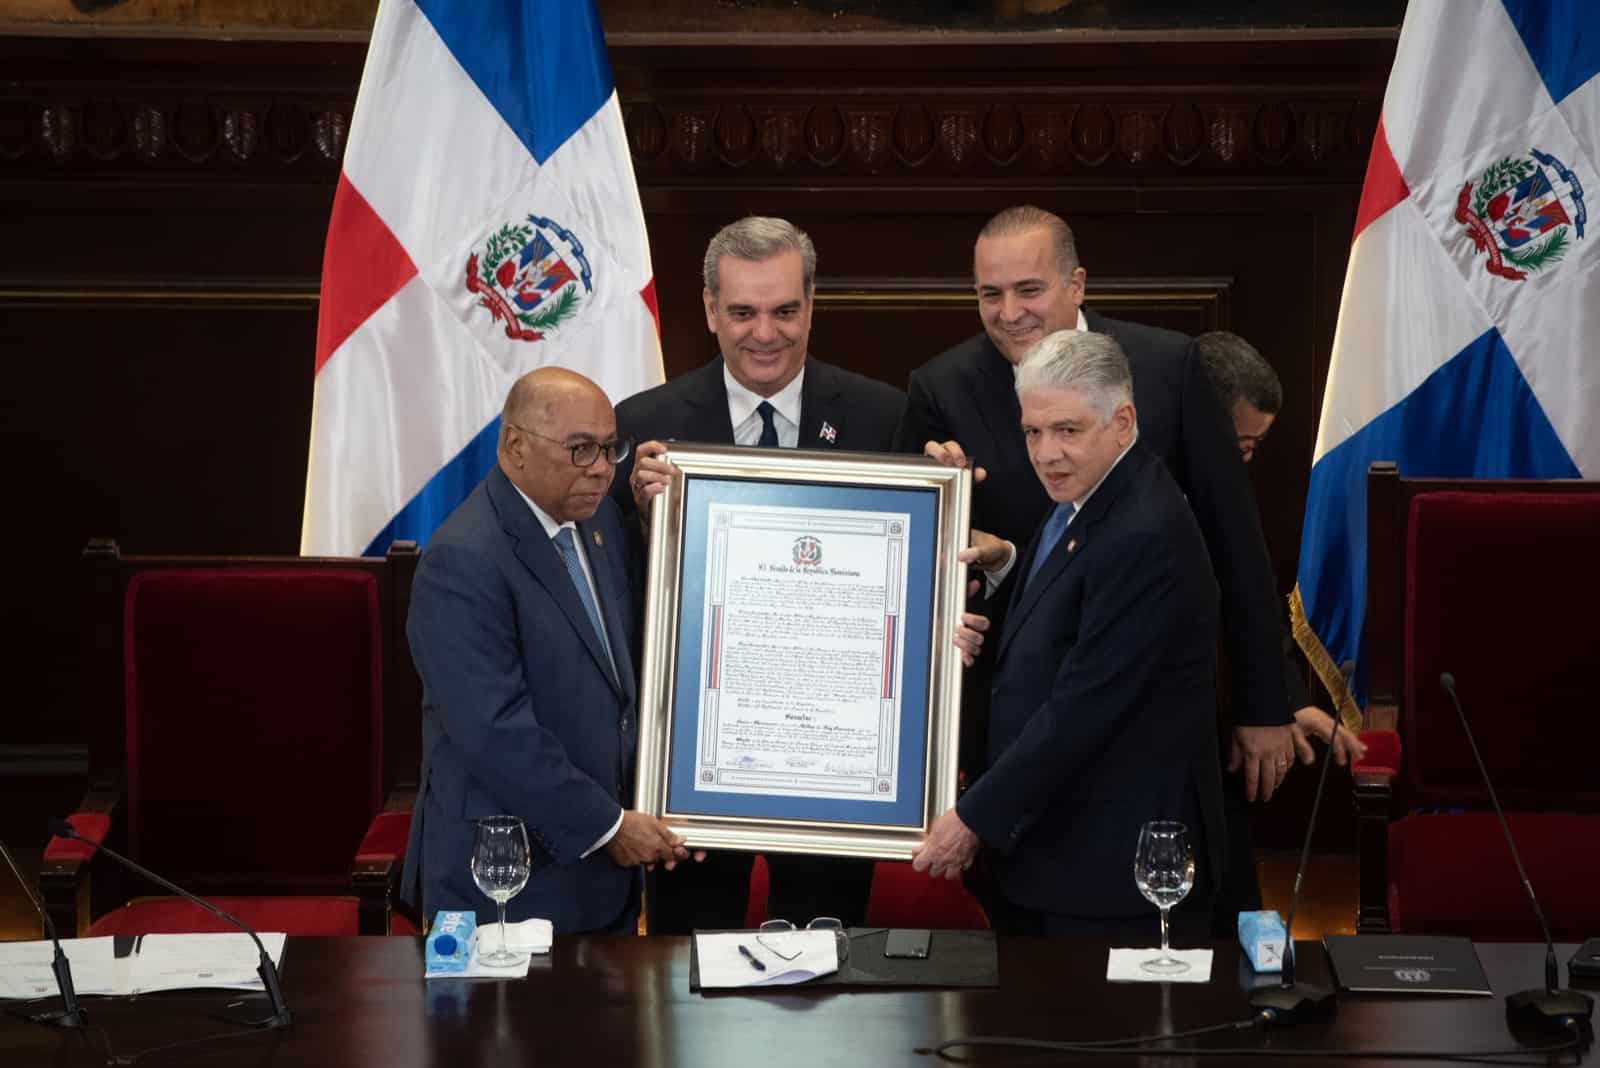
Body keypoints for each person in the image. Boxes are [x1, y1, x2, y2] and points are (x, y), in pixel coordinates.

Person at [894, 205, 1298, 805]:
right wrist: (938, 506)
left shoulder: (1166, 368)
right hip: (1015, 715)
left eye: (1029, 290)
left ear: (1076, 283)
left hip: (1151, 709)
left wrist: (1267, 701)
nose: (1009, 314)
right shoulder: (941, 388)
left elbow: (1234, 541)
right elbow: (923, 575)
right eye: (990, 294)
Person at [614, 216, 906, 934]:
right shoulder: (644, 424)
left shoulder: (883, 417)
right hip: (696, 764)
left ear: (812, 305)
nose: (764, 333)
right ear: (711, 310)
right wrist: (641, 513)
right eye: (742, 311)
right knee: (685, 975)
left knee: (828, 974)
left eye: (784, 310)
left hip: (836, 756)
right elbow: (614, 596)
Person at [913, 330, 1226, 938]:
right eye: (1033, 432)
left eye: (1068, 430)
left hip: (1108, 876)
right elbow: (1062, 608)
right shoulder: (1093, 498)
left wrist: (972, 819)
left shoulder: (1145, 532)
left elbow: (1084, 707)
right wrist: (998, 599)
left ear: (1123, 421)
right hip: (1059, 856)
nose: (1047, 453)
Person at [401, 368, 691, 935]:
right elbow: (494, 731)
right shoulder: (462, 561)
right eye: (581, 449)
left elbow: (626, 678)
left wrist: (677, 809)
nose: (604, 468)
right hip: (504, 882)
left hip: (603, 890)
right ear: (515, 447)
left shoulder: (598, 518)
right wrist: (610, 827)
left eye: (611, 448)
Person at [1195, 330, 1366, 933]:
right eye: (1238, 443)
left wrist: (1286, 702)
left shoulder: (1225, 482)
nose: (1245, 460)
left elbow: (1253, 599)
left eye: (1254, 446)